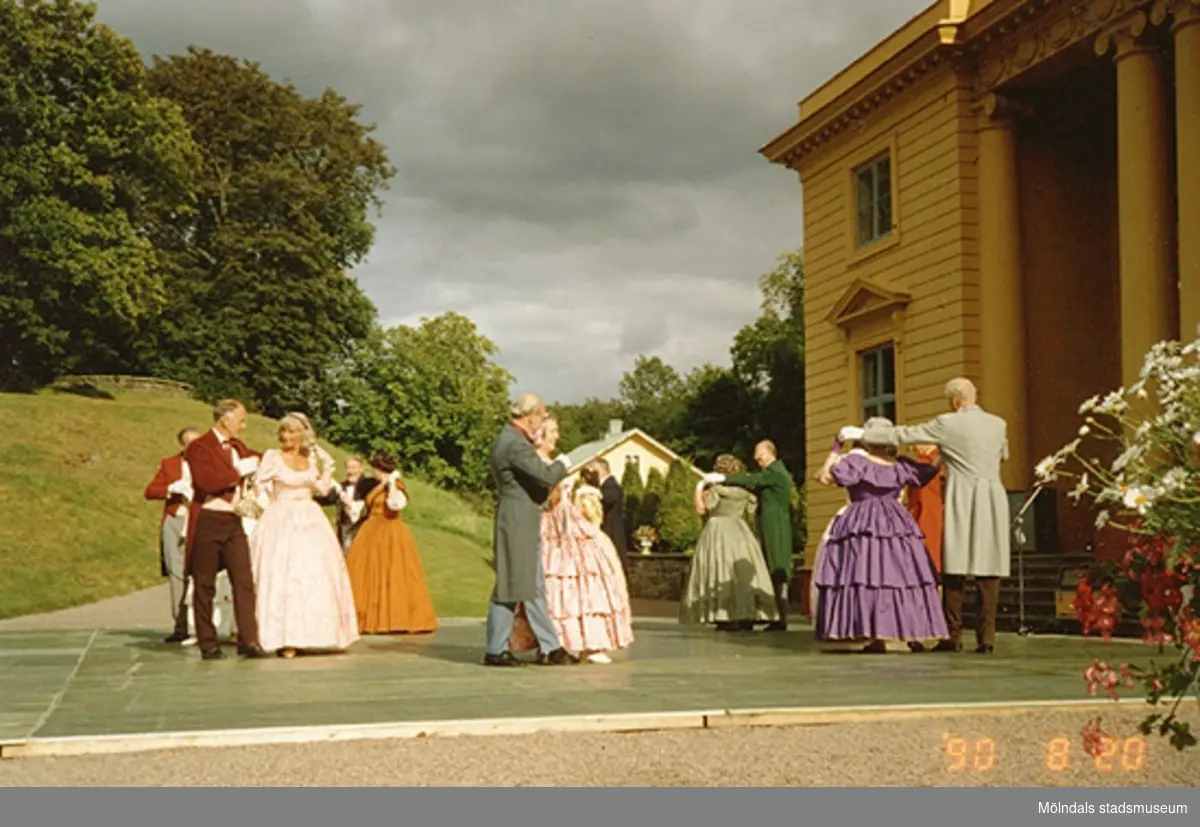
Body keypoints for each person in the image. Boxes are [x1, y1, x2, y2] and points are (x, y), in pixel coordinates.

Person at [841, 377, 1011, 654]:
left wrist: (863, 435)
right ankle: (987, 638)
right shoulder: (998, 423)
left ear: (955, 401)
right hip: (993, 497)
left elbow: (904, 435)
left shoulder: (948, 422)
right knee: (989, 566)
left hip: (963, 495)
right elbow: (1003, 454)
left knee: (955, 566)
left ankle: (953, 636)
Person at [813, 421, 949, 652]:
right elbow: (929, 471)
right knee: (901, 577)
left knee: (865, 576)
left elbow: (826, 477)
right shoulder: (899, 465)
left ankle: (872, 632)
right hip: (896, 521)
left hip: (862, 521)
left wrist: (836, 449)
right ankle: (906, 631)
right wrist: (945, 451)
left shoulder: (856, 462)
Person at [509, 417, 634, 664]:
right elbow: (547, 501)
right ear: (539, 435)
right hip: (552, 529)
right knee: (562, 580)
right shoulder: (535, 463)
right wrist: (556, 476)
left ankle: (581, 641)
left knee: (585, 575)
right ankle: (557, 642)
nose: (557, 436)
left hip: (566, 524)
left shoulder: (547, 462)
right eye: (553, 431)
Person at [249, 412, 359, 657]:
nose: (285, 436)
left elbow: (320, 488)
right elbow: (259, 485)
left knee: (312, 574)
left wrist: (327, 466)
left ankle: (315, 632)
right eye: (283, 431)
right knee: (283, 574)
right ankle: (283, 636)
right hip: (282, 517)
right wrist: (261, 496)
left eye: (291, 431)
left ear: (302, 434)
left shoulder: (309, 458)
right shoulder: (273, 457)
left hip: (310, 517)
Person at [483, 393, 578, 667]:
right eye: (540, 416)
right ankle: (495, 649)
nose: (540, 423)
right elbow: (546, 475)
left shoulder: (509, 440)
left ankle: (551, 646)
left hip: (520, 516)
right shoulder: (514, 444)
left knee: (531, 584)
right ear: (530, 416)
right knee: (511, 584)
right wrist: (566, 463)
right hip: (517, 518)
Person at [183, 399, 267, 660]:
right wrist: (236, 472)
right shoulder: (200, 447)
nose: (243, 425)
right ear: (224, 420)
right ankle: (208, 643)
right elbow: (206, 482)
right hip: (208, 518)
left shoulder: (237, 446)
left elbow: (258, 458)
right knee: (205, 582)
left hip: (232, 521)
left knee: (243, 580)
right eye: (240, 420)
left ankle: (248, 640)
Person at [680, 454, 779, 631]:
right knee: (741, 574)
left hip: (717, 530)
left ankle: (724, 615)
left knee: (719, 571)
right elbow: (751, 510)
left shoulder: (716, 491)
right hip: (740, 530)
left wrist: (699, 487)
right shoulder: (745, 492)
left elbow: (701, 509)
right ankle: (747, 614)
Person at [704, 440, 794, 631]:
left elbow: (754, 480)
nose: (755, 457)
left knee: (777, 565)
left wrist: (724, 479)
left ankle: (780, 617)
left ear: (769, 453)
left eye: (758, 453)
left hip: (775, 525)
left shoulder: (775, 472)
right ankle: (772, 614)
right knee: (769, 566)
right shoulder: (771, 473)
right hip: (769, 523)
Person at [345, 452, 438, 634]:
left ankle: (395, 618)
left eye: (377, 469)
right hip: (371, 531)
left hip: (391, 532)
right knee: (367, 573)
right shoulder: (377, 486)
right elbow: (365, 507)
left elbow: (394, 505)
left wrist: (393, 483)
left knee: (393, 572)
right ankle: (367, 618)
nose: (375, 473)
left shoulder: (396, 487)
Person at [143, 427, 201, 643]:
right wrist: (171, 488)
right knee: (177, 572)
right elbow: (150, 491)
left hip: (201, 519)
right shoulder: (170, 463)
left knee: (203, 571)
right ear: (182, 446)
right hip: (176, 519)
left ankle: (204, 624)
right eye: (190, 444)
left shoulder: (210, 461)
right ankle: (181, 625)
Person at [906, 444, 944, 576]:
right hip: (939, 514)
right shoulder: (943, 461)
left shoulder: (923, 464)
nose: (914, 447)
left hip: (925, 515)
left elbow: (918, 498)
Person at [591, 458, 628, 568]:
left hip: (611, 531)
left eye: (593, 471)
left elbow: (607, 499)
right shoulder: (603, 487)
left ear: (602, 470)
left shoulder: (611, 486)